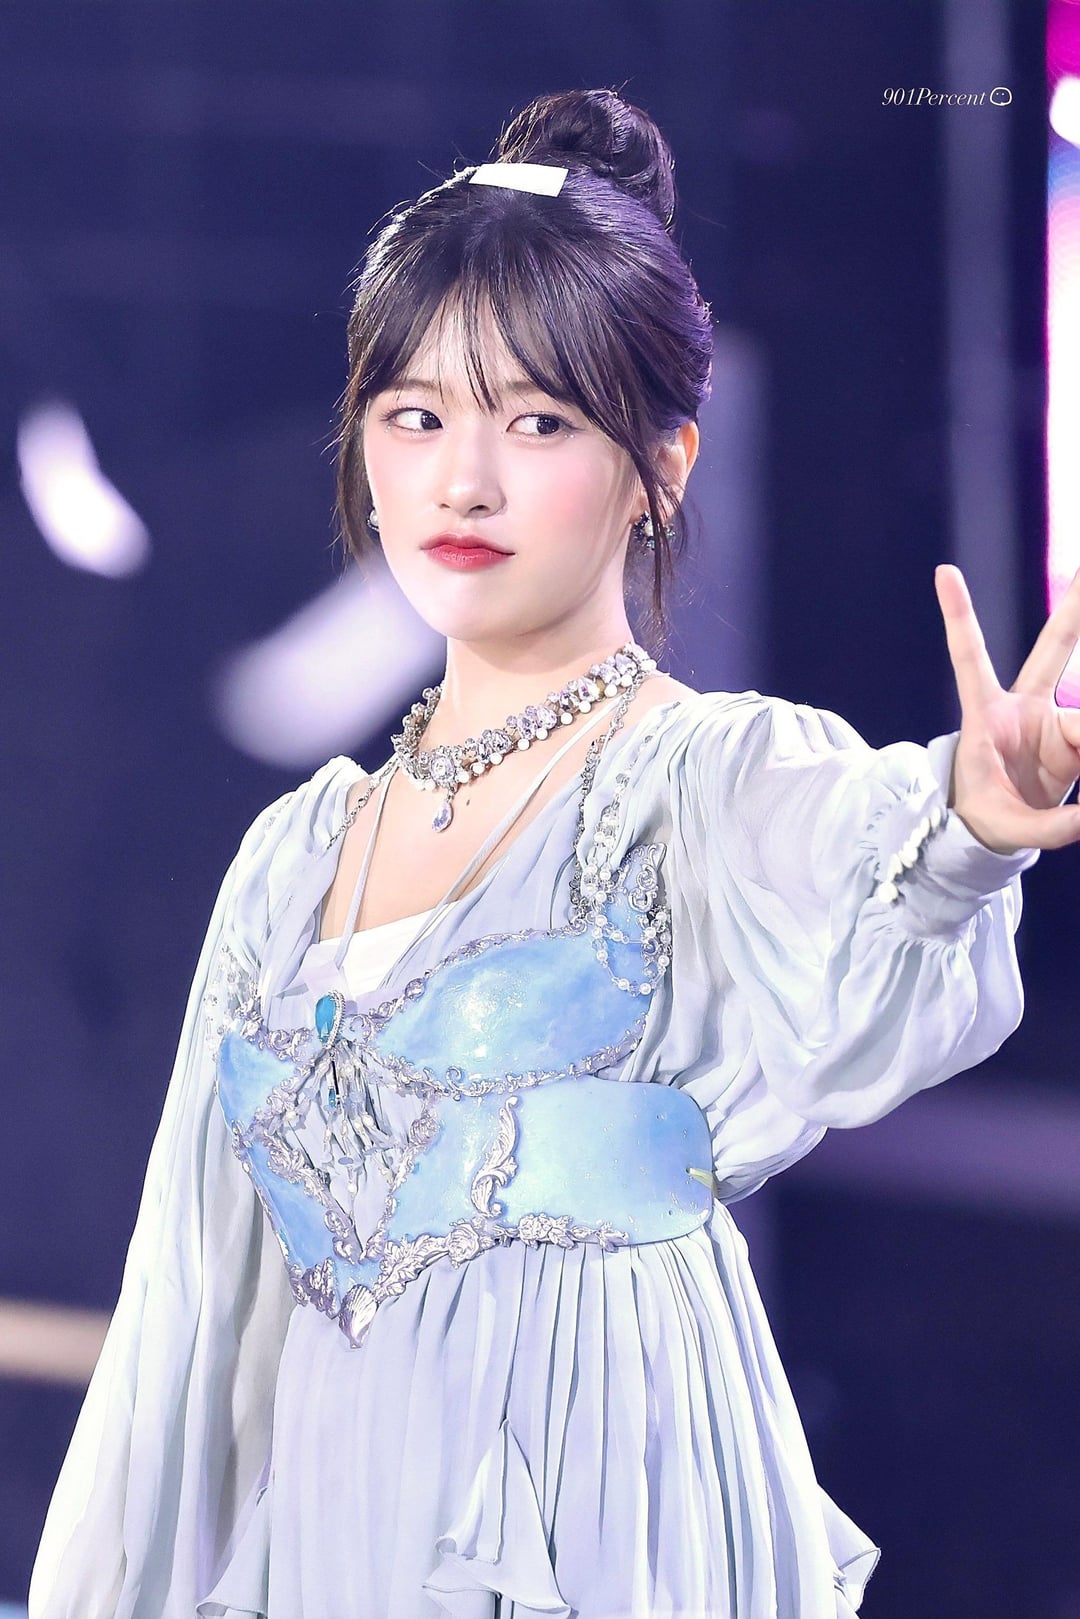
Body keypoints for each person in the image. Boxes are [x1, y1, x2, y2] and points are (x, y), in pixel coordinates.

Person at [28, 86, 1080, 1619]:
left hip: (603, 1520)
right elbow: (187, 1320)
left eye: (537, 421)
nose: (464, 479)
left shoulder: (704, 778)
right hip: (329, 1537)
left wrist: (969, 831)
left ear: (665, 460)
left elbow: (872, 909)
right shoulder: (291, 855)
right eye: (417, 416)